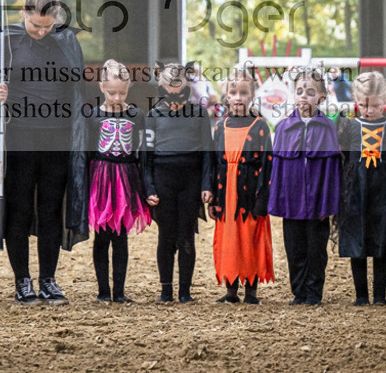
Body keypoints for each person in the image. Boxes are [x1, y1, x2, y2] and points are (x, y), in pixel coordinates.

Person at [0, 0, 87, 305]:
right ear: (24, 13)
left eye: (46, 25)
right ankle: (22, 280)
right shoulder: (6, 42)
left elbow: (77, 87)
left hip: (57, 137)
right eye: (34, 24)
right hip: (18, 136)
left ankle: (48, 279)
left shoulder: (66, 41)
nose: (40, 31)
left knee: (51, 209)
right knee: (19, 208)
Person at [268, 67, 340, 305]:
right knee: (295, 249)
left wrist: (327, 205)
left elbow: (331, 171)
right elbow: (277, 170)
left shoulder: (328, 128)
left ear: (321, 97)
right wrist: (278, 201)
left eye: (310, 92)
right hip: (292, 202)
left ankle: (313, 291)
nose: (303, 96)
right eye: (299, 91)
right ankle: (299, 292)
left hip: (318, 204)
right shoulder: (283, 128)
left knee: (316, 251)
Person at [337, 71, 386, 306]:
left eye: (375, 105)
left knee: (381, 239)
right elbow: (345, 158)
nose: (369, 110)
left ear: (384, 102)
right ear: (356, 102)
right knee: (357, 239)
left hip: (384, 192)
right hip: (356, 191)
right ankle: (361, 296)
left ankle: (379, 295)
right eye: (363, 105)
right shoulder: (349, 126)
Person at [144, 62, 214, 303]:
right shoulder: (153, 116)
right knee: (166, 236)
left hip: (190, 180)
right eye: (168, 93)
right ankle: (166, 290)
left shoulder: (199, 114)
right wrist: (149, 187)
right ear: (161, 89)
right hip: (163, 181)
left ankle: (185, 291)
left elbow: (208, 152)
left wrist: (207, 184)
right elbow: (146, 156)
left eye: (181, 92)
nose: (175, 99)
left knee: (186, 235)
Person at [88, 60, 151, 303]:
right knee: (102, 236)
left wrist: (146, 187)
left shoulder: (136, 115)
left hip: (126, 178)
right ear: (101, 86)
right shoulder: (93, 116)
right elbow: (86, 152)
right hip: (101, 178)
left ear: (129, 88)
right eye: (111, 92)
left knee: (121, 236)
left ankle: (120, 292)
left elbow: (142, 151)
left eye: (122, 92)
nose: (117, 97)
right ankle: (103, 291)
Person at [210, 67, 274, 304]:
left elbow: (268, 165)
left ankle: (251, 291)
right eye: (234, 92)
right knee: (229, 240)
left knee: (249, 239)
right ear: (227, 95)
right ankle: (230, 291)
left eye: (244, 93)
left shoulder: (260, 127)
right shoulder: (220, 127)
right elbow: (215, 163)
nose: (238, 97)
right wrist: (215, 199)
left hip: (249, 195)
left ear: (252, 96)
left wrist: (262, 199)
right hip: (226, 194)